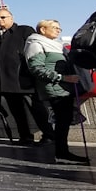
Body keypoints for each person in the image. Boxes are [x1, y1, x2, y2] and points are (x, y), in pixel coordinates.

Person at [24, 19, 89, 164]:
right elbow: (36, 68)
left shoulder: (57, 44)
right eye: (54, 27)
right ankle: (62, 153)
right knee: (62, 120)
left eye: (59, 28)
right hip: (54, 88)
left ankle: (62, 152)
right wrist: (63, 77)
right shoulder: (36, 43)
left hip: (64, 87)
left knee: (64, 120)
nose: (58, 30)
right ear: (42, 29)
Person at [0, 9, 55, 145]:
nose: (0, 20)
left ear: (11, 18)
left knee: (37, 109)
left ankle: (49, 135)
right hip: (5, 81)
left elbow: (36, 49)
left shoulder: (24, 30)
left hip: (24, 79)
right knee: (17, 112)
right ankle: (25, 136)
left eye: (3, 17)